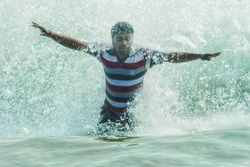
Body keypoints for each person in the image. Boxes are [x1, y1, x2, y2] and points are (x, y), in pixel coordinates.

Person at [32, 21, 220, 132]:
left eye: (127, 39)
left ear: (132, 39)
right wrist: (51, 34)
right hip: (109, 112)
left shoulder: (145, 56)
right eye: (119, 39)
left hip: (132, 114)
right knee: (100, 144)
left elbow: (171, 57)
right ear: (112, 39)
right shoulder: (103, 51)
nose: (123, 42)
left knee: (129, 149)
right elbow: (77, 44)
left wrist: (199, 56)